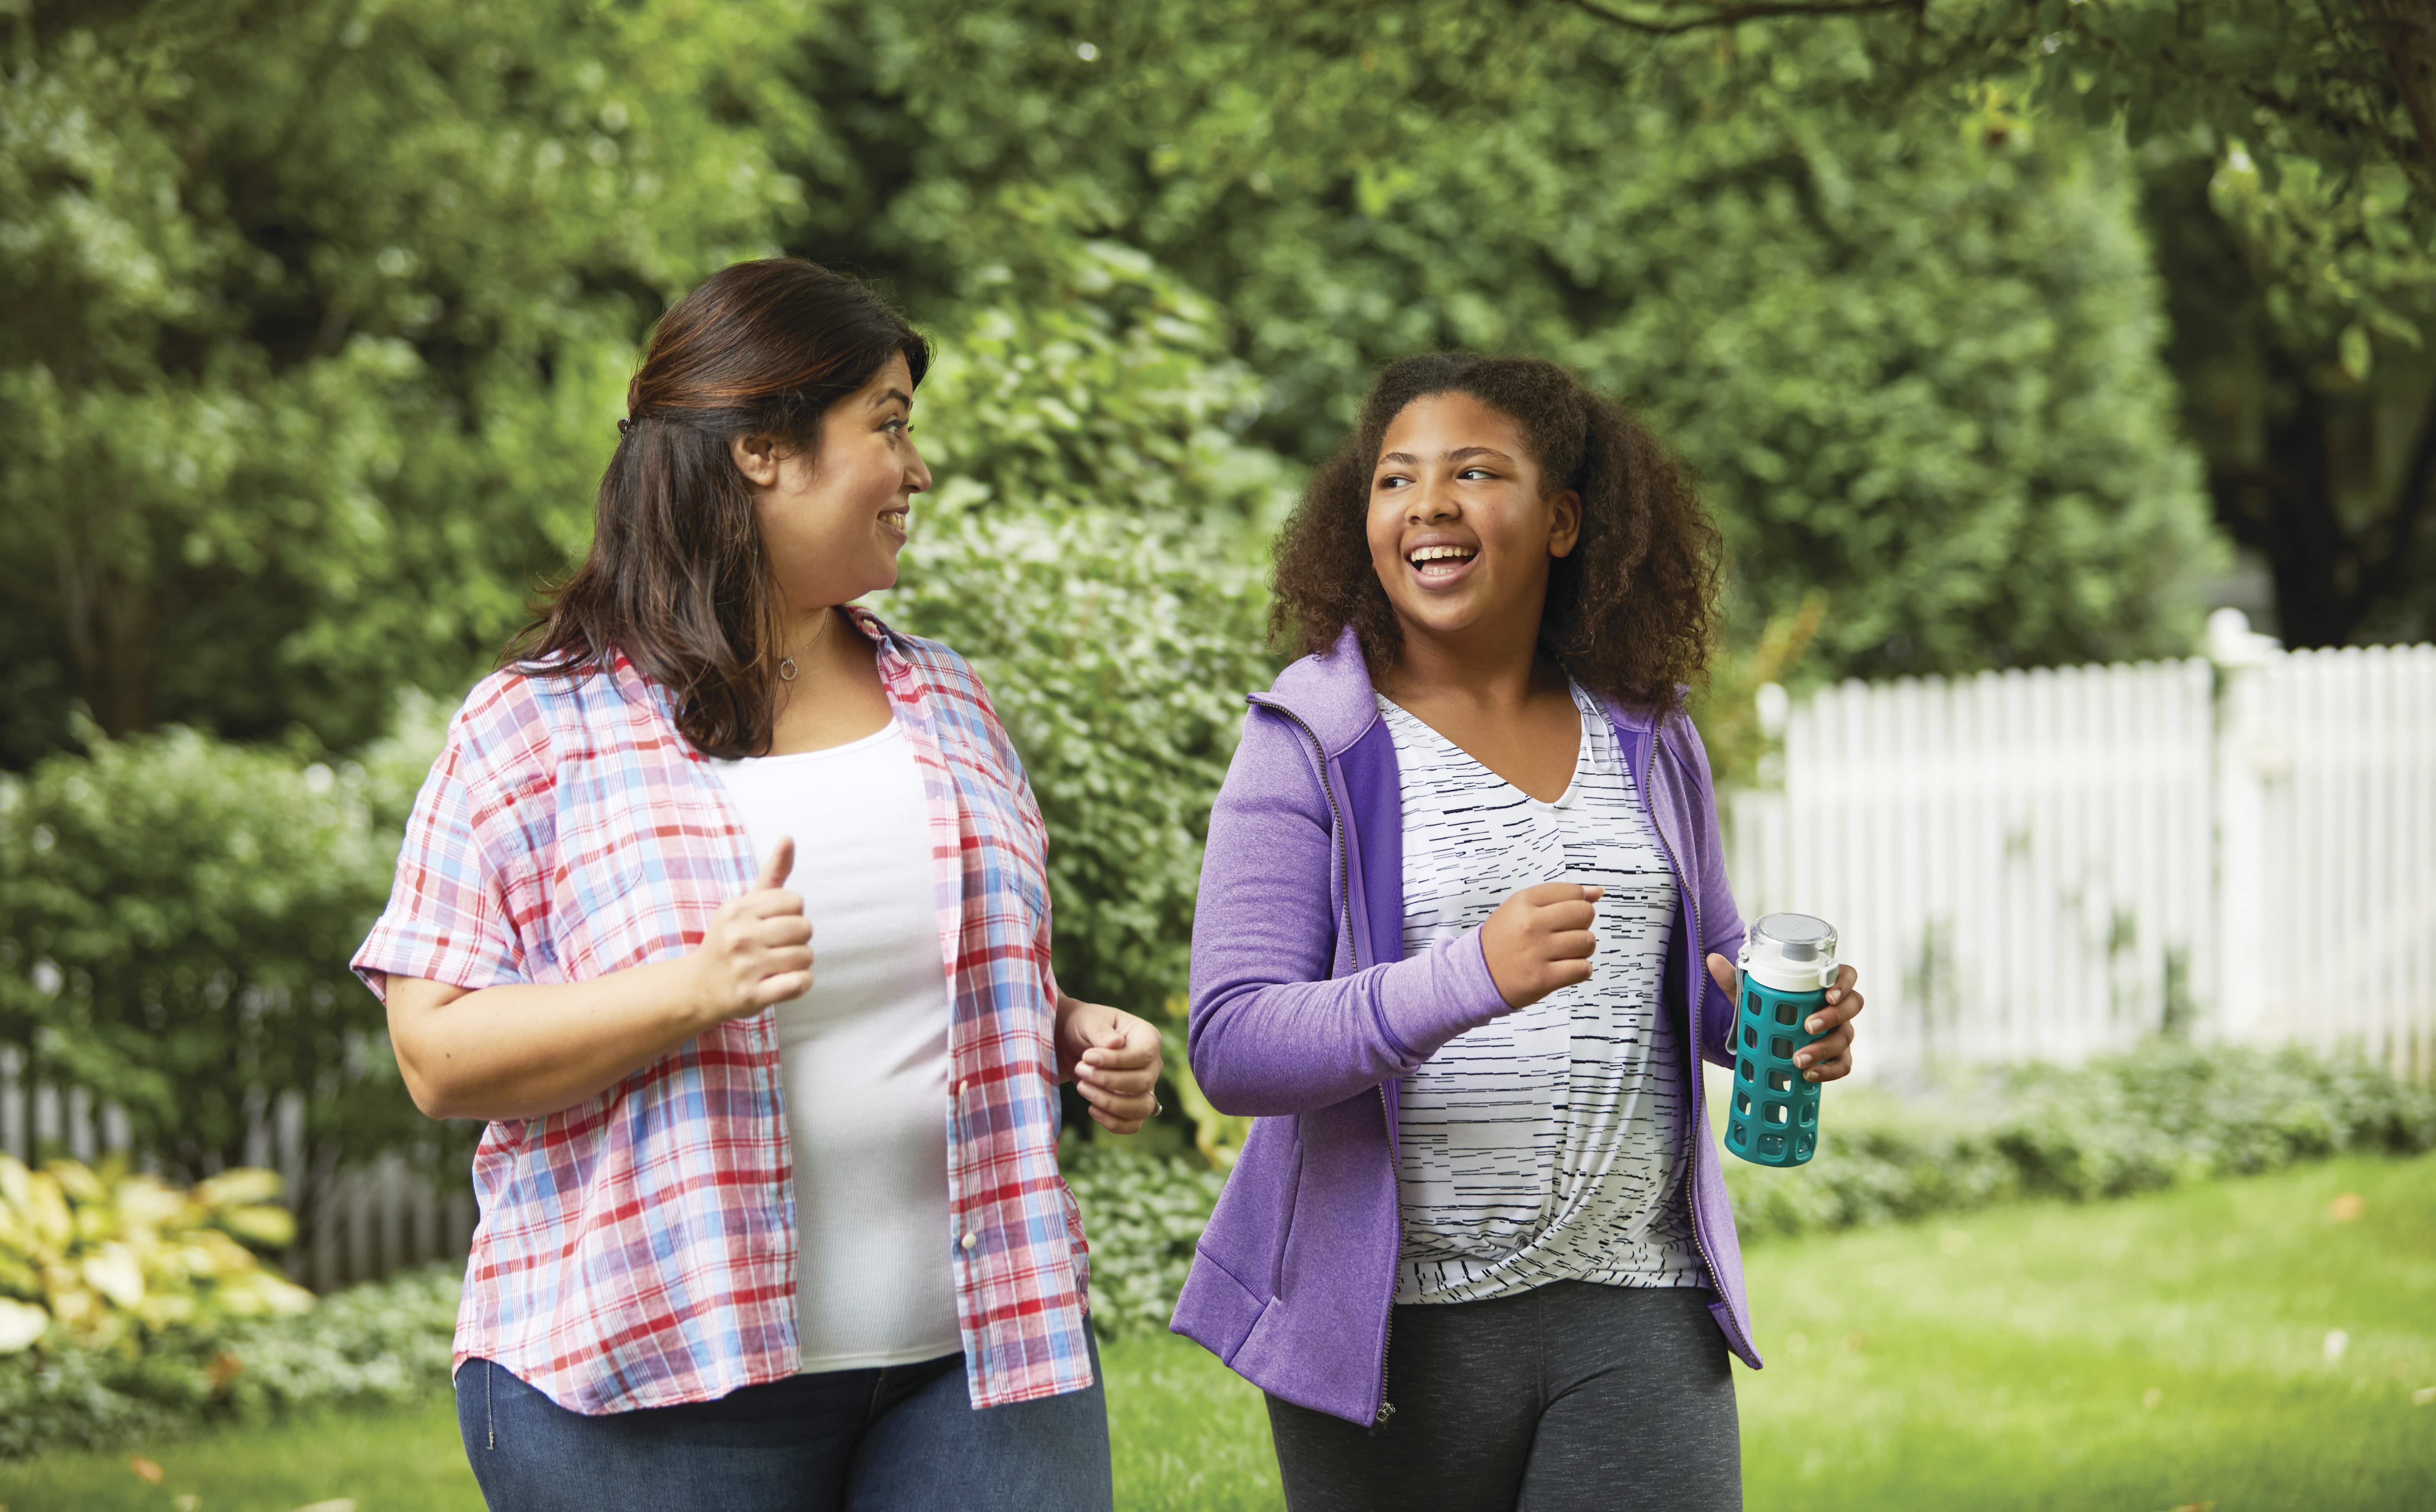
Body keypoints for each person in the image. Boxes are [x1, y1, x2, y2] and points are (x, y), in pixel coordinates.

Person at [352, 258, 1162, 1512]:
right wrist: (695, 987)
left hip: (984, 1359)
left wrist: (1068, 1030)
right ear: (763, 453)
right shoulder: (533, 730)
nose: (917, 467)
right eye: (887, 425)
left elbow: (959, 983)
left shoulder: (946, 700)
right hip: (649, 1383)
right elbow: (437, 1053)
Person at [1171, 355, 1865, 1511]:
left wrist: (1774, 1026)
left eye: (1475, 472)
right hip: (1392, 1325)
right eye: (1396, 480)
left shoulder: (1648, 731)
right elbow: (1234, 1043)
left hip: (1633, 1295)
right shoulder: (1312, 739)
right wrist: (1464, 979)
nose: (1428, 505)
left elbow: (1701, 973)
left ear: (1562, 519)